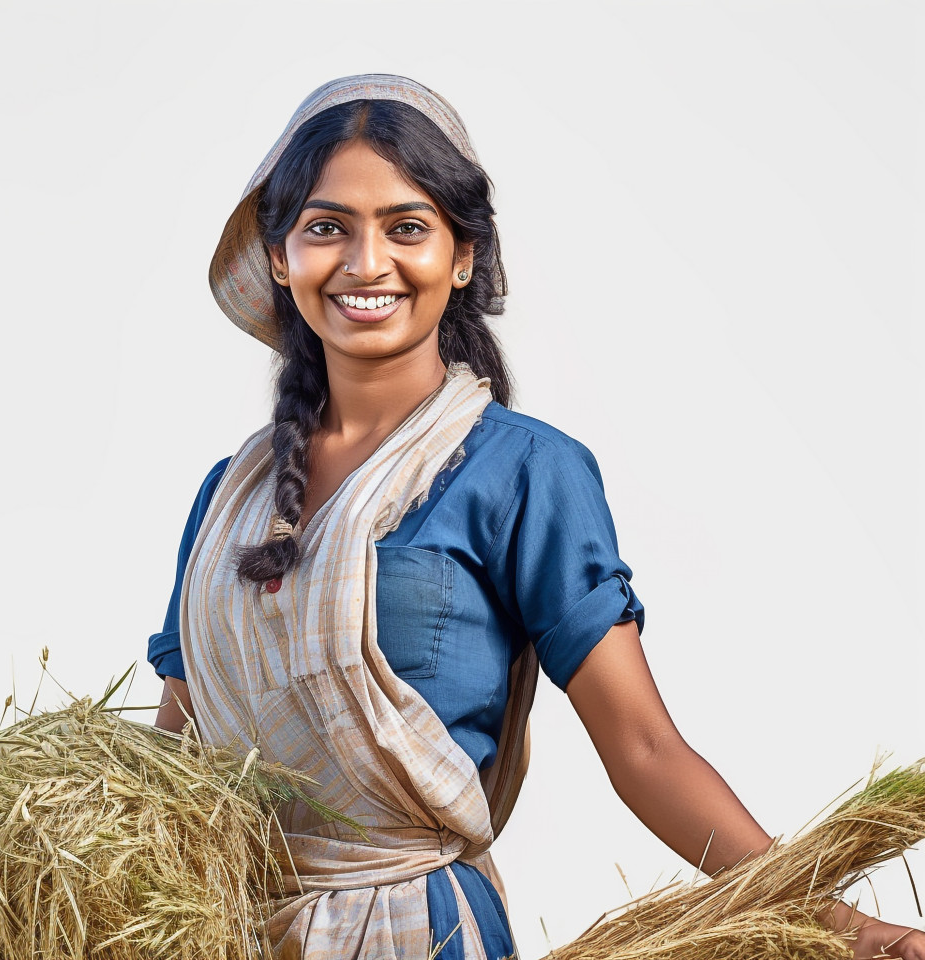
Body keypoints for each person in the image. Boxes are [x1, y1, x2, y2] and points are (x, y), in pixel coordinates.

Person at [147, 75, 924, 960]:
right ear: (282, 258)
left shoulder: (523, 472)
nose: (367, 263)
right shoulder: (231, 497)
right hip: (228, 935)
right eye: (328, 228)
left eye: (407, 227)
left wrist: (837, 923)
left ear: (463, 256)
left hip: (415, 934)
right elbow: (175, 777)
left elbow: (643, 748)